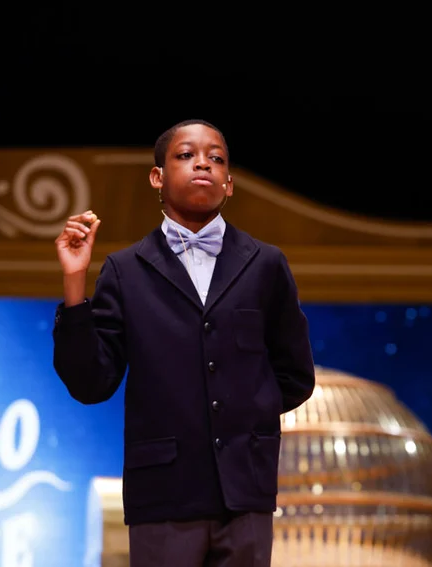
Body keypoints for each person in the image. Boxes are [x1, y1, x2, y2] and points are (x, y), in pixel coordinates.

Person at [52, 119, 316, 566]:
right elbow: (90, 383)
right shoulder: (125, 270)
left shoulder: (266, 264)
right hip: (163, 493)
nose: (203, 164)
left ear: (229, 184)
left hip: (245, 492)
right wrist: (75, 281)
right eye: (186, 155)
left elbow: (295, 375)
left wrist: (244, 419)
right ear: (157, 177)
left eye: (216, 158)